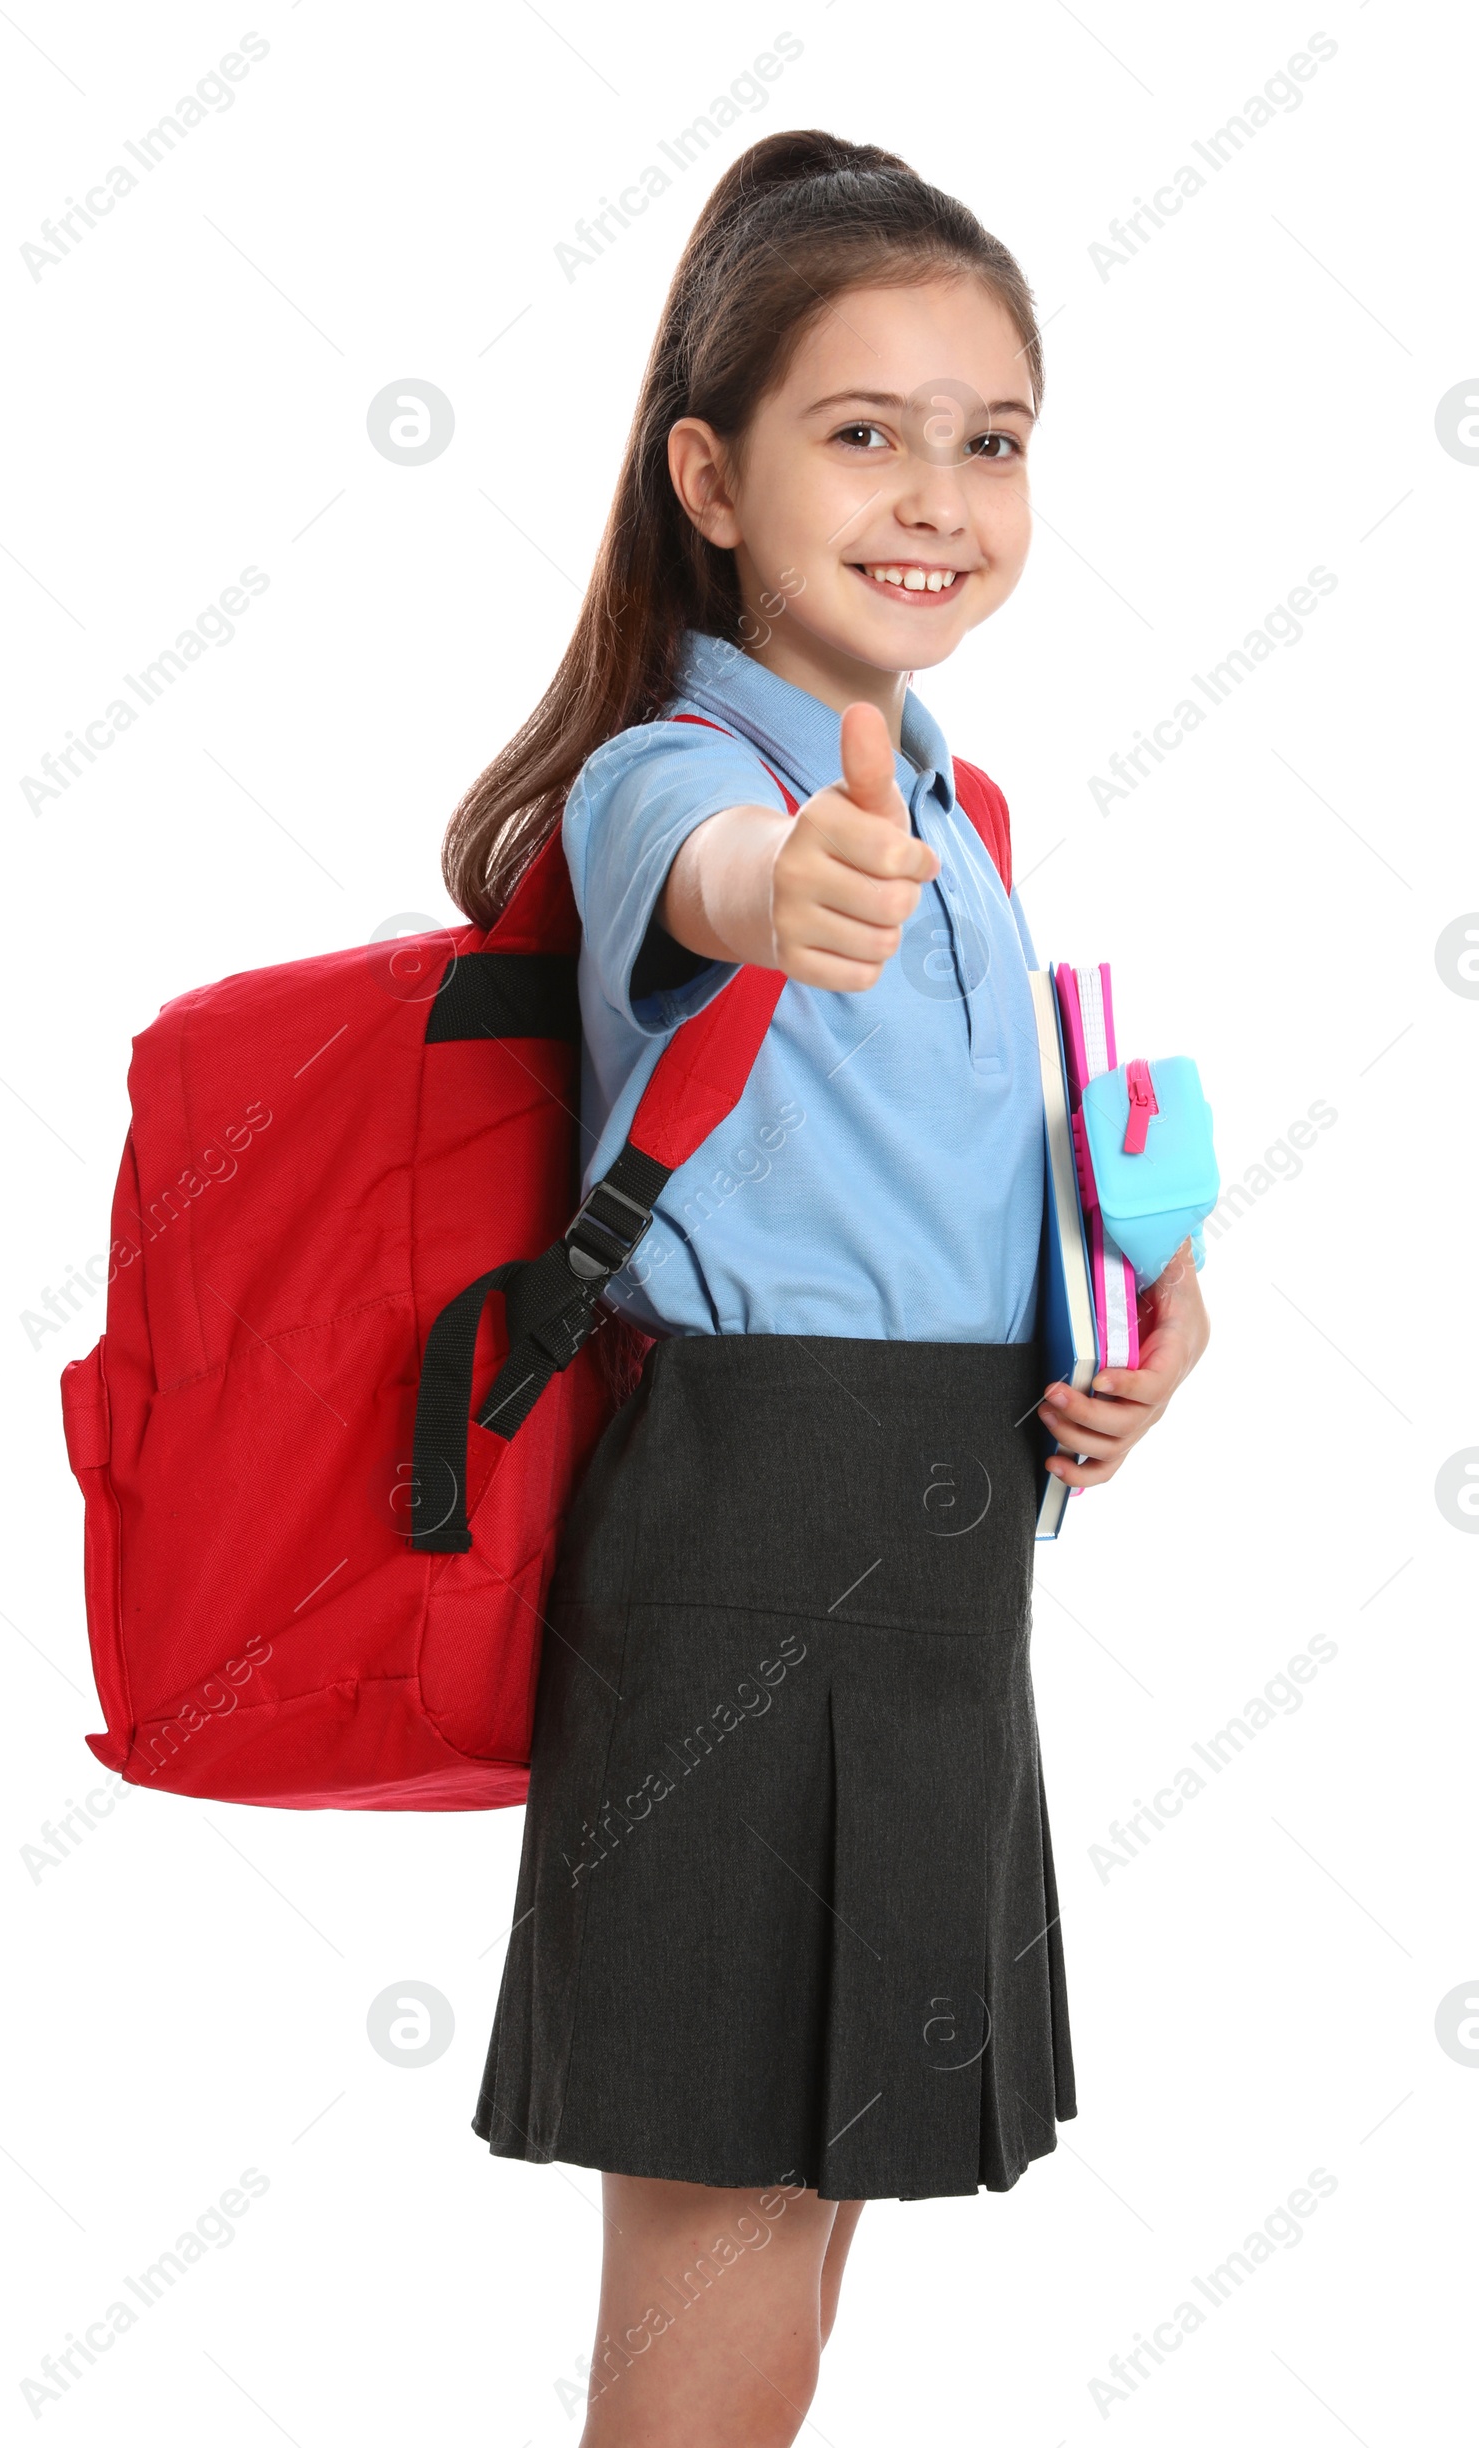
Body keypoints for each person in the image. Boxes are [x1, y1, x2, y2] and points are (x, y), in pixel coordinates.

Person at [444, 128, 1210, 2448]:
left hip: (934, 1559)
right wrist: (787, 883)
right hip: (739, 1568)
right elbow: (718, 884)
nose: (936, 496)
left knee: (803, 2265)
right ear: (704, 471)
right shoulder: (669, 779)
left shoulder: (966, 815)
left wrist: (1145, 1316)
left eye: (990, 439)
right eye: (859, 432)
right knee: (708, 2301)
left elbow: (982, 1170)